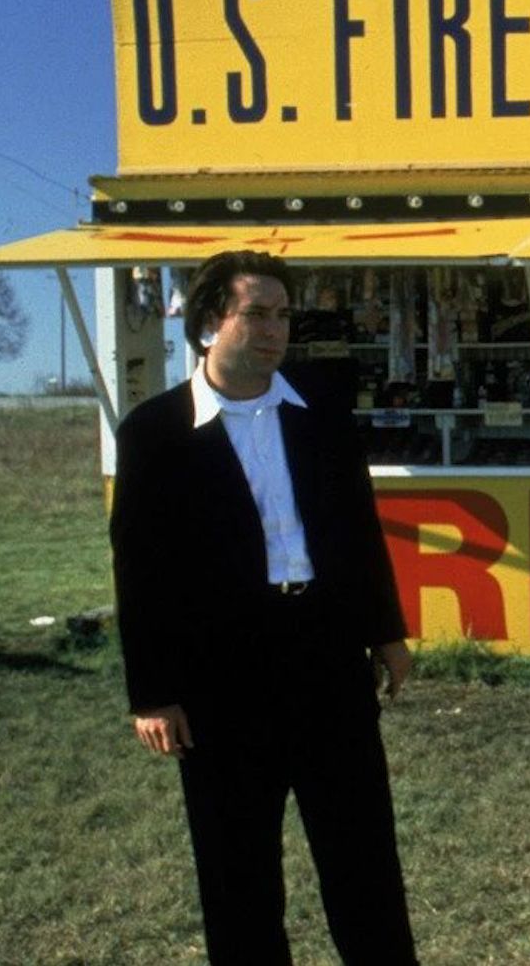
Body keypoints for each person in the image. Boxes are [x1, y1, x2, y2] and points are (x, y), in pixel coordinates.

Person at [111, 250, 419, 964]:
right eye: (256, 313)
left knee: (364, 865)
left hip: (326, 663)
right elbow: (141, 571)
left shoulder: (321, 415)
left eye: (282, 315)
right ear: (209, 322)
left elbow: (357, 532)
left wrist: (386, 634)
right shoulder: (155, 433)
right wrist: (154, 693)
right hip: (221, 679)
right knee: (237, 877)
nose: (274, 329)